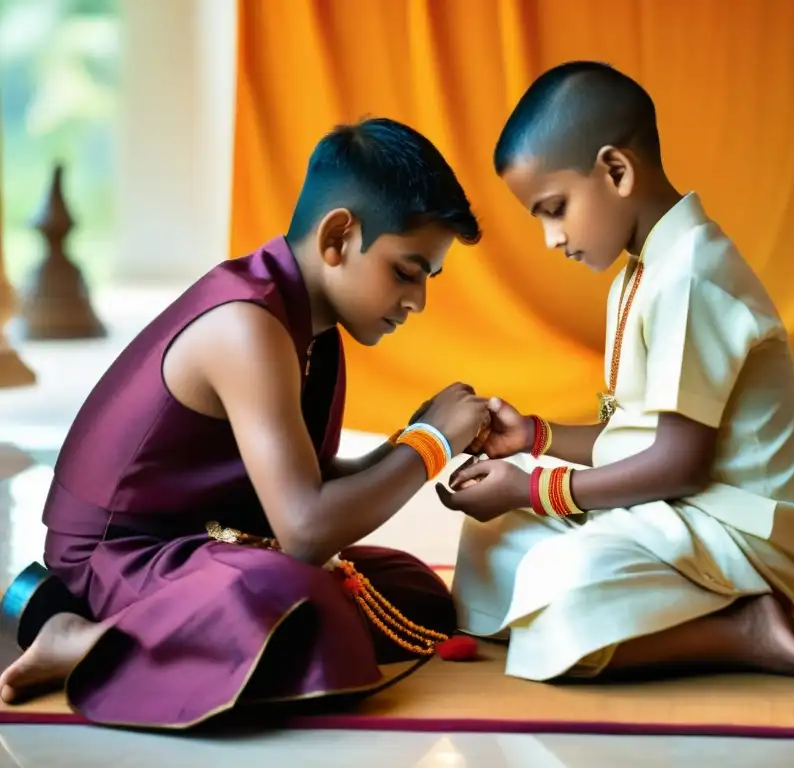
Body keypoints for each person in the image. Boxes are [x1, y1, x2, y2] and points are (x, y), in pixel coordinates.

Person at [0, 118, 491, 728]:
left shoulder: (312, 324)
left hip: (209, 542)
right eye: (406, 271)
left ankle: (150, 637)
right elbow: (307, 527)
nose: (416, 300)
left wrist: (408, 439)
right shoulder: (247, 323)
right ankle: (79, 634)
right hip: (117, 557)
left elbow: (301, 480)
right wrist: (429, 444)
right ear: (339, 236)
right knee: (303, 600)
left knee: (413, 590)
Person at [436, 61, 794, 691]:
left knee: (556, 582)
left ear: (616, 171)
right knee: (493, 543)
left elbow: (678, 466)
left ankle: (746, 629)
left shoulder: (690, 276)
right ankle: (653, 614)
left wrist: (531, 490)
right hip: (679, 508)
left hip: (734, 528)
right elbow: (632, 437)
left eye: (555, 209)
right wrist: (534, 440)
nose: (550, 238)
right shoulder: (641, 269)